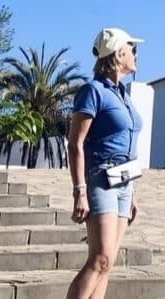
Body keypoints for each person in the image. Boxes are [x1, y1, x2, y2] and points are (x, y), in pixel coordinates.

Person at [66, 27, 144, 299]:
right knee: (100, 259)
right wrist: (79, 191)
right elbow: (75, 143)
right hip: (101, 178)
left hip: (124, 182)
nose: (136, 54)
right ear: (119, 52)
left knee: (108, 264)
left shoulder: (124, 94)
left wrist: (132, 192)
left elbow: (128, 149)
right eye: (133, 49)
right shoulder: (92, 91)